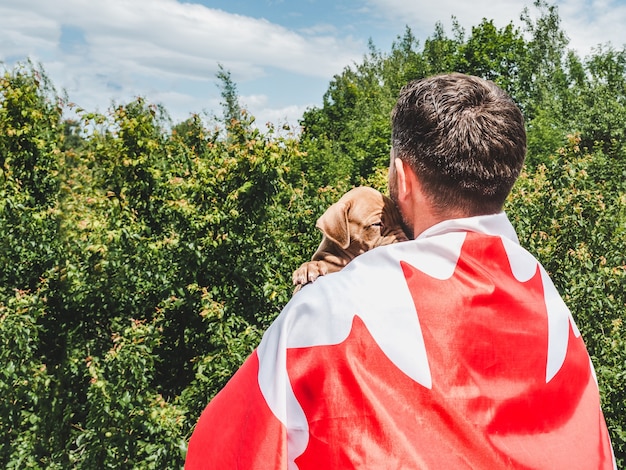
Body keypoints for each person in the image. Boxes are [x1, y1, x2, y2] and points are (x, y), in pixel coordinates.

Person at [185, 73, 615, 469]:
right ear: (509, 177)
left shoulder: (328, 310)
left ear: (401, 178)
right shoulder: (560, 318)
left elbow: (222, 451)